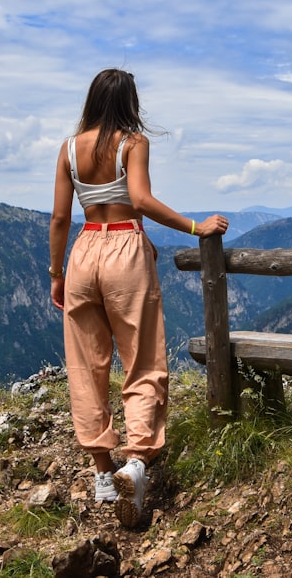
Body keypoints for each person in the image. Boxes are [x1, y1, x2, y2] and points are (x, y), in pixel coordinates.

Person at [48, 69, 228, 527]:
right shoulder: (133, 143)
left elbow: (58, 219)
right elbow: (141, 200)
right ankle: (138, 461)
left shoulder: (69, 149)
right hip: (125, 245)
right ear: (130, 101)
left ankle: (103, 473)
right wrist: (196, 227)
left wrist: (57, 274)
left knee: (86, 365)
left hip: (84, 251)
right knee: (142, 358)